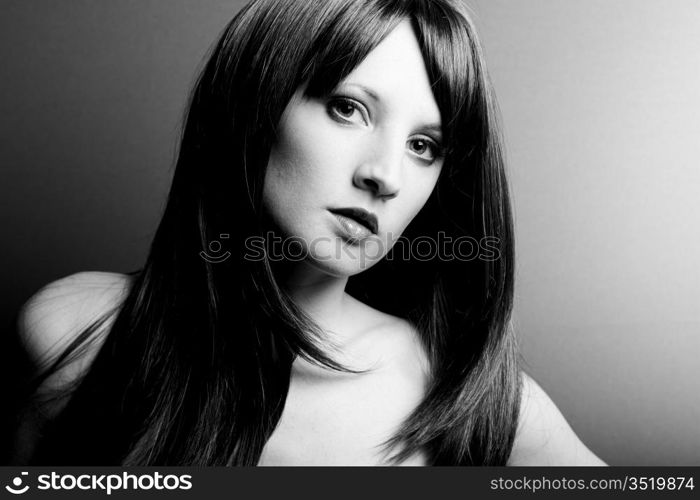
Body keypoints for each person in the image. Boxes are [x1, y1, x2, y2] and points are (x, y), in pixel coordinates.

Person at [14, 0, 606, 466]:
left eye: (424, 146)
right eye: (349, 108)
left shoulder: (465, 400)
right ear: (255, 102)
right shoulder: (75, 334)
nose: (385, 175)